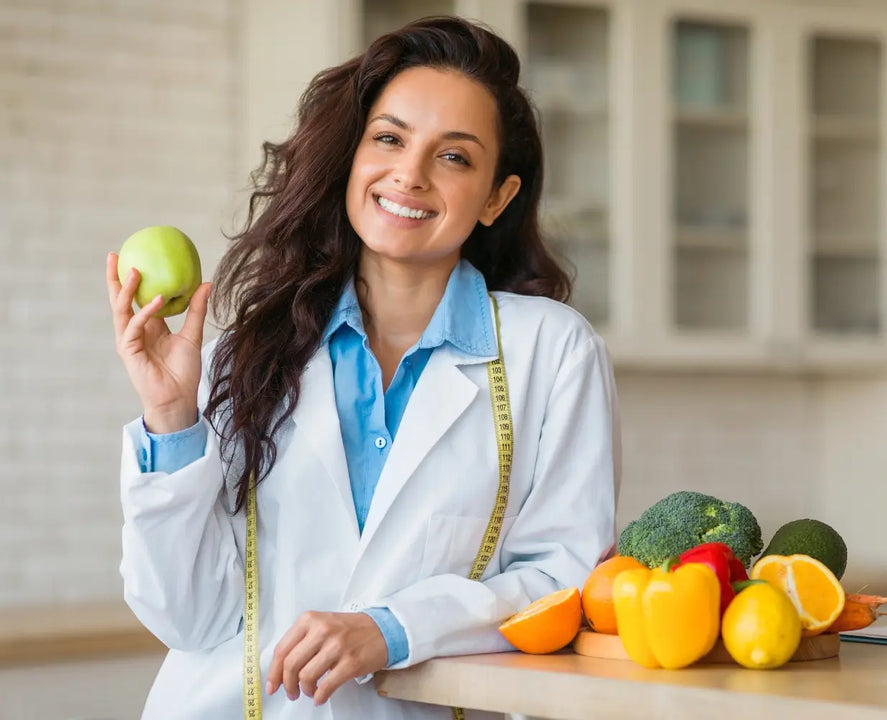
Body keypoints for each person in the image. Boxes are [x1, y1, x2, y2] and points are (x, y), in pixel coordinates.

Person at [106, 16, 620, 720]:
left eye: (455, 157)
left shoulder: (552, 351)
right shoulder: (248, 349)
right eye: (389, 138)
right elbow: (185, 619)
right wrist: (170, 418)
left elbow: (565, 583)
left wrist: (391, 627)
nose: (409, 173)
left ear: (497, 197)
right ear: (353, 156)